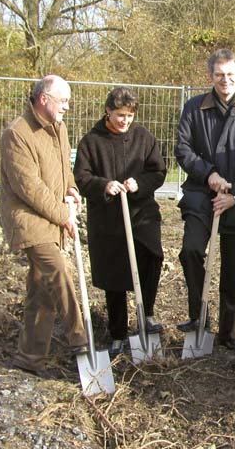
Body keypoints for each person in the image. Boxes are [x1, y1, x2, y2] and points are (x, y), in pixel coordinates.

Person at [174, 48, 235, 350]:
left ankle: (226, 333)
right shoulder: (194, 108)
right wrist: (209, 174)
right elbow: (183, 149)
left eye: (230, 74)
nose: (224, 80)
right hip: (201, 196)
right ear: (210, 76)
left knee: (232, 272)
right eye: (219, 74)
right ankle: (199, 315)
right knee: (190, 251)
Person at [0, 75, 88, 375]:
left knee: (41, 290)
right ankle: (80, 338)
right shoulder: (17, 134)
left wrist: (72, 188)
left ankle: (29, 358)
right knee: (57, 270)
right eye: (63, 101)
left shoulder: (58, 127)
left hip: (51, 216)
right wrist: (63, 215)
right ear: (43, 99)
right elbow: (29, 188)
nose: (67, 107)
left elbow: (64, 168)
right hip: (27, 219)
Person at [73, 87, 167, 357]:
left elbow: (158, 171)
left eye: (129, 115)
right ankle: (117, 332)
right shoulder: (92, 141)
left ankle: (146, 314)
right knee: (114, 272)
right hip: (108, 219)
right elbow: (81, 177)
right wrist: (104, 185)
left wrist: (140, 183)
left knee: (152, 256)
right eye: (120, 115)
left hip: (141, 213)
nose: (125, 121)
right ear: (108, 112)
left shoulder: (143, 137)